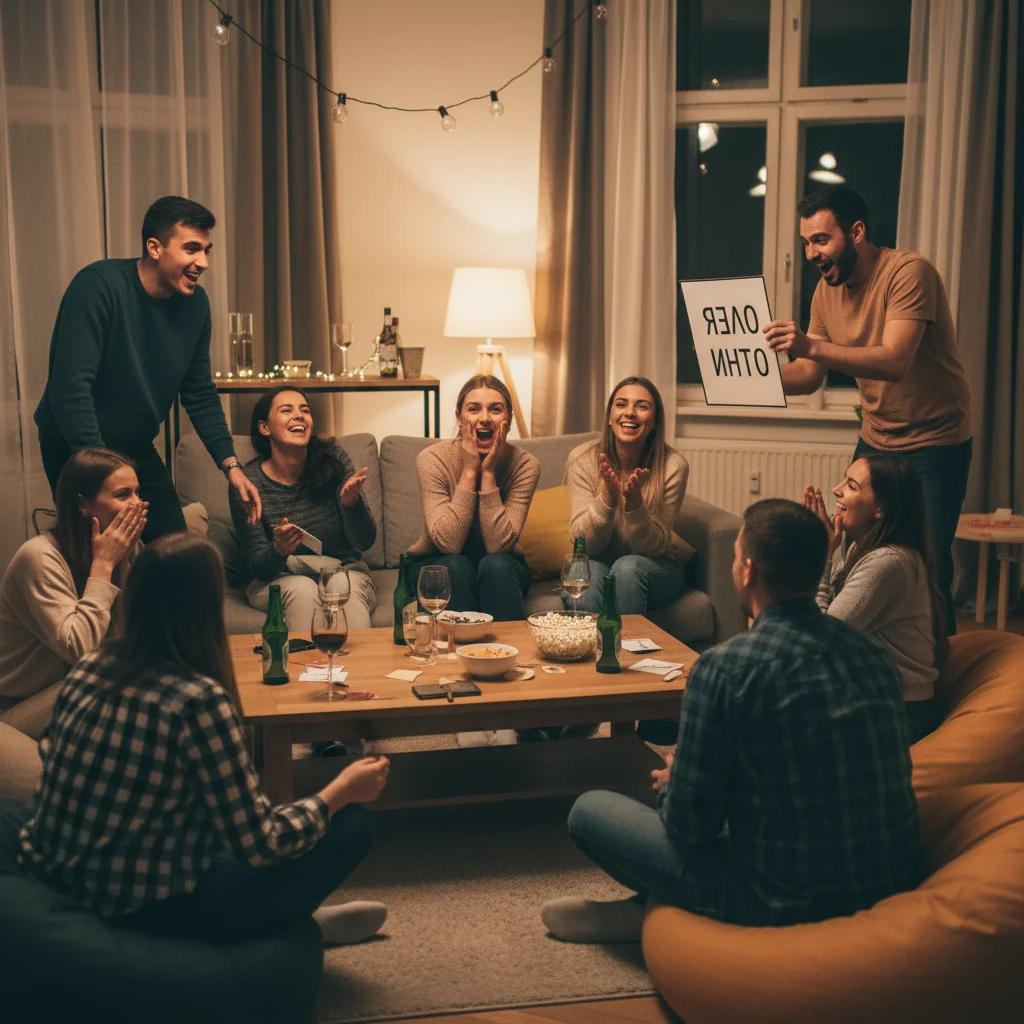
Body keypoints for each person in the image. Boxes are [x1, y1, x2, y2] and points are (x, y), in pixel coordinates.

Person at [540, 499, 920, 943]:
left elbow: (689, 827)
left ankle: (658, 914)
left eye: (737, 556)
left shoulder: (725, 668)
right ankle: (646, 911)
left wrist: (678, 782)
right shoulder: (873, 655)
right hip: (888, 885)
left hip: (774, 897)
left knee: (590, 810)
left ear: (749, 572)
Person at [17, 534, 390, 947]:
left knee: (216, 827)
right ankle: (291, 924)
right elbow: (261, 843)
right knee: (351, 823)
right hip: (150, 911)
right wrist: (340, 790)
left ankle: (293, 919)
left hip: (63, 880)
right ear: (204, 609)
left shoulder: (89, 667)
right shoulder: (198, 700)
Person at [764, 185, 973, 635]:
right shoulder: (826, 290)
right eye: (805, 243)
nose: (810, 253)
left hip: (937, 440)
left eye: (821, 239)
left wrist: (812, 344)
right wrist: (749, 380)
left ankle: (938, 681)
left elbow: (895, 360)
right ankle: (866, 656)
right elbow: (809, 374)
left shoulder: (908, 273)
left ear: (856, 232)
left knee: (926, 565)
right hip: (877, 437)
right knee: (854, 553)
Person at [34, 195, 261, 540]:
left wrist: (231, 465)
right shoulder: (98, 286)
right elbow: (70, 391)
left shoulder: (196, 305)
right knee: (96, 552)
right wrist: (105, 470)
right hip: (75, 446)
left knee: (172, 547)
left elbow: (199, 393)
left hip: (135, 446)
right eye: (191, 249)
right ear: (155, 248)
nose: (203, 261)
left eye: (206, 250)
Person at [0, 448, 147, 740]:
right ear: (83, 504)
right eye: (123, 495)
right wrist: (104, 566)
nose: (138, 504)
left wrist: (124, 564)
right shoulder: (39, 558)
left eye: (137, 493)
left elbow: (133, 640)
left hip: (72, 689)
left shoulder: (122, 550)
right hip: (16, 707)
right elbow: (84, 651)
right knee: (114, 677)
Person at [804, 455, 947, 744]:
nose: (836, 489)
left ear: (880, 508)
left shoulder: (889, 563)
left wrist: (822, 557)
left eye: (852, 486)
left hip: (898, 713)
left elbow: (820, 638)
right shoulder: (860, 546)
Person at [229, 386, 377, 631]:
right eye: (287, 410)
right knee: (303, 588)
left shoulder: (334, 460)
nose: (299, 416)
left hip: (342, 570)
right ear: (265, 427)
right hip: (279, 579)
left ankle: (360, 669)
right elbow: (257, 565)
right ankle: (305, 668)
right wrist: (279, 549)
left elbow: (365, 541)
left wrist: (352, 504)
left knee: (340, 584)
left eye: (304, 410)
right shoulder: (247, 483)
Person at [408, 375, 539, 622]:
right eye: (474, 409)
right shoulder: (432, 459)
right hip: (437, 562)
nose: (485, 418)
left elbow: (498, 546)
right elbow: (448, 543)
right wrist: (470, 471)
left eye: (496, 409)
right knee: (455, 566)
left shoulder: (525, 465)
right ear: (459, 418)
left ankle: (504, 654)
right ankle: (456, 656)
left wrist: (488, 473)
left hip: (502, 567)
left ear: (508, 420)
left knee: (496, 565)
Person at [567, 377, 689, 615]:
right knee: (586, 570)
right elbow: (582, 544)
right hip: (598, 560)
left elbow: (655, 548)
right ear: (610, 417)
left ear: (654, 421)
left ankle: (624, 651)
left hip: (655, 565)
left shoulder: (674, 465)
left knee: (627, 567)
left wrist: (635, 506)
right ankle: (587, 650)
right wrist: (607, 500)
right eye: (621, 404)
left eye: (642, 406)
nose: (630, 413)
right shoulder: (582, 458)